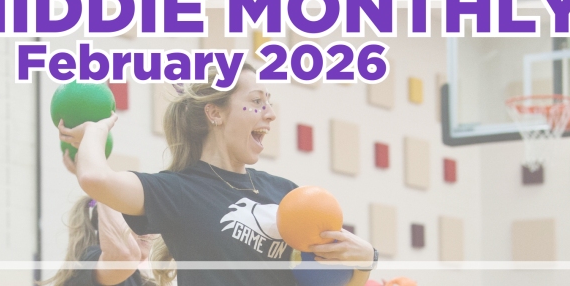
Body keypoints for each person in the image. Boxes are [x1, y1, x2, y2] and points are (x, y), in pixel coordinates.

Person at [58, 65, 377, 285]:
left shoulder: (286, 194)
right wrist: (94, 133)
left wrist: (363, 262)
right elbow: (96, 180)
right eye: (256, 101)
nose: (271, 113)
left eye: (269, 102)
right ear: (215, 113)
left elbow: (334, 280)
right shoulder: (178, 192)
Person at [39, 196, 164, 286]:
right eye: (139, 222)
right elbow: (124, 255)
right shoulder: (87, 261)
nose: (150, 232)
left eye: (152, 222)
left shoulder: (139, 279)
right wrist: (104, 189)